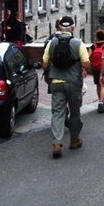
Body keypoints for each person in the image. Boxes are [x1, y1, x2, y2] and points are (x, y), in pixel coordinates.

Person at [42, 16, 90, 158]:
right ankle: (74, 139)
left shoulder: (52, 43)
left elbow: (44, 64)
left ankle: (57, 143)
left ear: (59, 27)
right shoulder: (78, 43)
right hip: (73, 83)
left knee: (57, 113)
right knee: (75, 112)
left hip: (56, 82)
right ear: (73, 28)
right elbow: (86, 64)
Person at [89, 29, 104, 114]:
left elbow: (87, 57)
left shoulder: (93, 46)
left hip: (95, 68)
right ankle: (101, 102)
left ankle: (100, 100)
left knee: (98, 85)